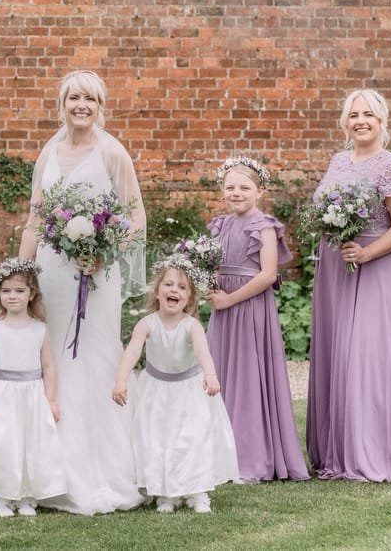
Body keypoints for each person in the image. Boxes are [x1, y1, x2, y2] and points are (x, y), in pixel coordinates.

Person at [18, 69, 146, 514]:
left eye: (89, 99)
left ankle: (101, 473)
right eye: (74, 98)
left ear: (100, 105)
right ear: (63, 103)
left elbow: (136, 221)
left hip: (97, 276)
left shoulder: (113, 153)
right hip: (52, 276)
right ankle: (50, 473)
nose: (81, 106)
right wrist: (23, 271)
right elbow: (36, 217)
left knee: (93, 361)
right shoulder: (48, 154)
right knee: (51, 360)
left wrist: (105, 257)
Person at [306, 89, 391, 482]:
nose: (360, 121)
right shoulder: (337, 161)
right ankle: (338, 449)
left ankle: (376, 452)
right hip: (336, 266)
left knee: (369, 357)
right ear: (344, 122)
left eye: (368, 114)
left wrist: (367, 253)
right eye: (353, 115)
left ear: (382, 120)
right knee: (340, 355)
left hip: (377, 266)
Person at [206, 157, 309, 483]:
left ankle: (250, 456)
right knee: (219, 374)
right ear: (222, 191)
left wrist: (229, 299)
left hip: (249, 307)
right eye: (230, 187)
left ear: (259, 191)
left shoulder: (264, 226)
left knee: (248, 377)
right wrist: (209, 285)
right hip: (222, 308)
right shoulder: (219, 225)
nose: (237, 193)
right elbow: (212, 263)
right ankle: (215, 452)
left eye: (244, 187)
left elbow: (268, 275)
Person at [113, 255, 238, 514]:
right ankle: (165, 492)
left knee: (191, 439)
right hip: (155, 390)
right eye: (168, 285)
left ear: (190, 298)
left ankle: (197, 491)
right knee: (157, 439)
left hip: (188, 391)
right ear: (157, 291)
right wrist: (122, 379)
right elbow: (132, 352)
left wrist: (211, 375)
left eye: (182, 288)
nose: (174, 290)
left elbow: (204, 352)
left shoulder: (191, 326)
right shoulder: (146, 324)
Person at [0, 258, 66, 517]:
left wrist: (50, 400)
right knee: (3, 445)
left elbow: (48, 367)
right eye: (6, 291)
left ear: (32, 295)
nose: (12, 296)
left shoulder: (40, 329)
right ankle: (3, 496)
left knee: (30, 444)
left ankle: (26, 496)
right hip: (2, 395)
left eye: (19, 291)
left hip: (31, 396)